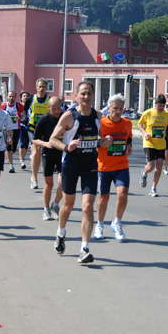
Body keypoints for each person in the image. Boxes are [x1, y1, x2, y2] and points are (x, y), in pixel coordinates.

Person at [50, 81, 112, 264]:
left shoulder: (98, 115)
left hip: (90, 166)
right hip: (70, 165)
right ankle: (60, 233)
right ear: (76, 95)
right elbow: (53, 139)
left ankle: (84, 248)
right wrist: (67, 147)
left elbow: (98, 139)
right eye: (82, 93)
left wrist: (103, 142)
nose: (86, 97)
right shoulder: (69, 116)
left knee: (87, 207)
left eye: (89, 94)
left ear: (93, 96)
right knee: (68, 205)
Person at [94, 94, 133, 241]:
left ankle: (117, 222)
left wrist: (129, 145)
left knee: (122, 195)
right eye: (115, 108)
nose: (117, 111)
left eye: (120, 109)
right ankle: (100, 224)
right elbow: (95, 139)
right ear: (108, 108)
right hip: (104, 167)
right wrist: (102, 141)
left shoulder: (127, 123)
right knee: (103, 198)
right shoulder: (101, 123)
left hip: (121, 165)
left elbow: (128, 137)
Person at [137, 94, 168, 197]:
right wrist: (145, 133)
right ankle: (144, 173)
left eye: (163, 106)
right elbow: (139, 124)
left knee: (159, 167)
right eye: (159, 105)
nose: (161, 108)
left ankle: (153, 188)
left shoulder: (167, 114)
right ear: (155, 105)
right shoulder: (148, 113)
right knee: (151, 166)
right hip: (149, 143)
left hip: (161, 144)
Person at [31, 97, 64, 220]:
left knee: (63, 183)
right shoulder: (44, 119)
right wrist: (45, 144)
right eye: (53, 109)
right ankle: (46, 209)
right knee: (49, 184)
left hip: (62, 153)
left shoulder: (64, 117)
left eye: (58, 108)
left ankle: (55, 204)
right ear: (49, 108)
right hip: (48, 154)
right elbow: (34, 139)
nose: (56, 111)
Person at [24, 78, 51, 190]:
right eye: (39, 87)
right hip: (32, 128)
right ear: (36, 87)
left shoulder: (49, 99)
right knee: (35, 153)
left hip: (44, 130)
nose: (41, 89)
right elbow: (25, 109)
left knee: (40, 153)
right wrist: (25, 117)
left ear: (46, 88)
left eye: (43, 87)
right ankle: (34, 178)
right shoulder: (31, 98)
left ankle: (38, 172)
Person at [1, 90, 24, 173]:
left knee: (14, 148)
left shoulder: (19, 105)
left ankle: (10, 154)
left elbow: (24, 115)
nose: (11, 98)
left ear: (15, 97)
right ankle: (11, 165)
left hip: (16, 128)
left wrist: (20, 117)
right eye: (10, 96)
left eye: (13, 96)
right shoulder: (3, 106)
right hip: (6, 129)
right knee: (8, 146)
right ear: (7, 97)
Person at [18, 91, 30, 169]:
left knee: (26, 145)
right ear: (21, 98)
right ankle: (22, 160)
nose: (25, 97)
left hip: (28, 126)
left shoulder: (30, 106)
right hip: (21, 126)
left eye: (26, 96)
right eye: (24, 96)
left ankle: (22, 157)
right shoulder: (19, 106)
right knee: (21, 143)